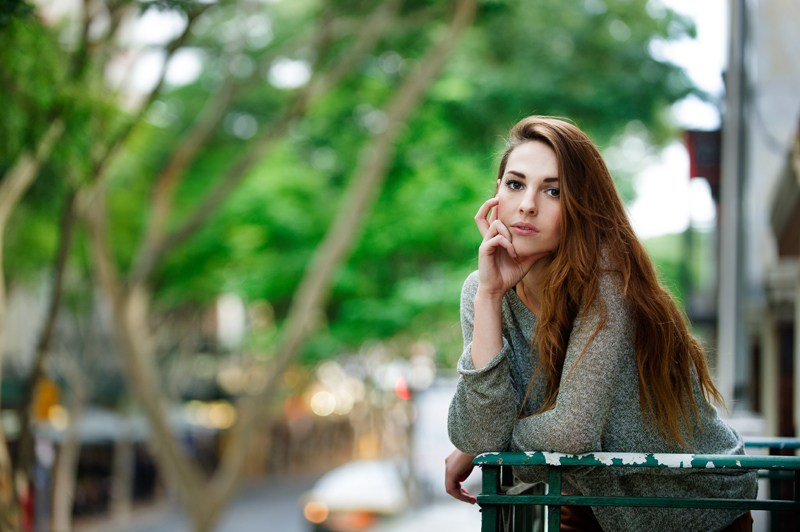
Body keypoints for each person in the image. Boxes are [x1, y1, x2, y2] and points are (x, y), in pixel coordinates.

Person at [445, 116, 757, 532]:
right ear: (496, 196)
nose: (528, 205)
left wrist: (492, 444)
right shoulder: (483, 291)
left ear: (580, 205)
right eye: (515, 184)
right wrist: (488, 296)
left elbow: (571, 433)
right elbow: (483, 432)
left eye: (553, 190)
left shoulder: (609, 280)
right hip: (595, 503)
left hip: (691, 508)